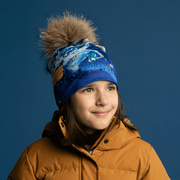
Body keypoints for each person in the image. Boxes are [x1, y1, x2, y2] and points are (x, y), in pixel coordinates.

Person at [8, 12, 170, 180]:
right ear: (66, 98)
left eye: (110, 88)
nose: (103, 101)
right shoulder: (34, 159)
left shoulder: (143, 156)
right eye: (88, 89)